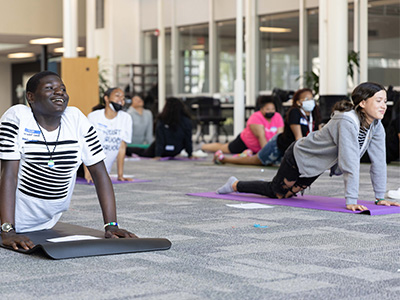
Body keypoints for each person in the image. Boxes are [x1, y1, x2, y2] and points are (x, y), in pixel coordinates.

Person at [0, 71, 137, 251]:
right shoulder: (17, 116)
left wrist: (111, 225)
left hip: (45, 221)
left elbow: (99, 173)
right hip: (7, 218)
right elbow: (8, 175)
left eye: (62, 89)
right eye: (50, 88)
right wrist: (7, 229)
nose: (59, 92)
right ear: (30, 97)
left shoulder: (76, 119)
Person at [217, 82, 400, 211]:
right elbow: (350, 161)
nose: (383, 105)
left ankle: (237, 184)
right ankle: (235, 184)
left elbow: (379, 161)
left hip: (317, 164)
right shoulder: (347, 121)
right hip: (300, 155)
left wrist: (380, 197)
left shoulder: (376, 126)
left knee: (286, 195)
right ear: (363, 103)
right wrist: (351, 200)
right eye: (379, 101)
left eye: (385, 101)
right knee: (277, 192)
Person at [214, 88, 321, 166]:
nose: (310, 102)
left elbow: (319, 136)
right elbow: (299, 138)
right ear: (298, 102)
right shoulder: (295, 112)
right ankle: (224, 159)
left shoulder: (315, 115)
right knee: (256, 161)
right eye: (307, 99)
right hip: (277, 146)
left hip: (287, 151)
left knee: (271, 164)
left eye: (312, 99)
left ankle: (244, 154)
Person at [201, 96, 284, 154]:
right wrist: (268, 154)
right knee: (224, 148)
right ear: (261, 109)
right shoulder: (256, 117)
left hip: (259, 149)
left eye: (273, 109)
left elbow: (279, 136)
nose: (271, 111)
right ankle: (203, 147)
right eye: (268, 109)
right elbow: (261, 137)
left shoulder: (277, 116)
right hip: (245, 143)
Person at [85, 87, 133, 182]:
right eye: (117, 96)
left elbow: (122, 147)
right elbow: (86, 146)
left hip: (103, 170)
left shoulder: (126, 118)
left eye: (123, 98)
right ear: (106, 98)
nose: (121, 100)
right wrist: (88, 174)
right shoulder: (94, 117)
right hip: (85, 167)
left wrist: (120, 175)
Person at [127, 97, 193, 159]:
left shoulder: (162, 120)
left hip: (161, 150)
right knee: (142, 150)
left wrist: (158, 155)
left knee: (142, 152)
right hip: (176, 150)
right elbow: (188, 140)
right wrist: (190, 154)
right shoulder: (186, 121)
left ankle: (126, 149)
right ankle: (126, 149)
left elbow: (160, 140)